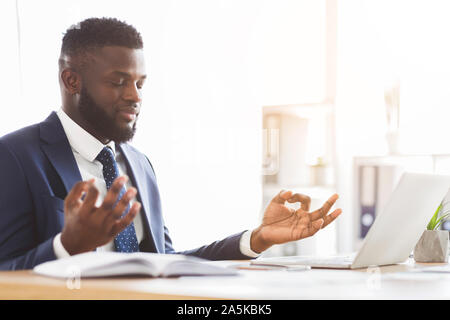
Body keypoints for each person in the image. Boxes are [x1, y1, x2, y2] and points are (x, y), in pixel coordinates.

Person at [0, 18, 342, 270]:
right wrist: (66, 246)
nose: (135, 96)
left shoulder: (138, 163)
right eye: (119, 82)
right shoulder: (15, 156)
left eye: (140, 83)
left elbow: (164, 263)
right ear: (71, 80)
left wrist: (256, 239)